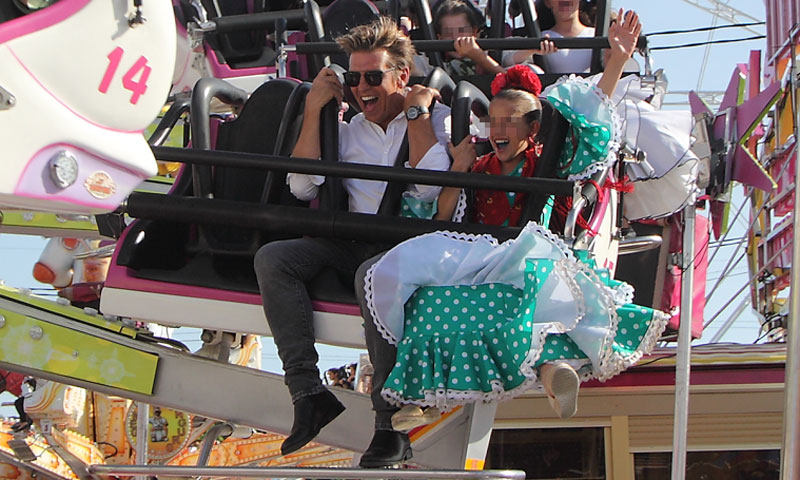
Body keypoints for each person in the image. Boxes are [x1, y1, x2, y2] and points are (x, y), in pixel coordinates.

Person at [360, 10, 667, 432]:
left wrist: (614, 62)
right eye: (494, 121)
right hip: (475, 260)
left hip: (531, 257)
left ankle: (550, 372)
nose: (499, 129)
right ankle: (419, 393)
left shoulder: (548, 164)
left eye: (510, 122)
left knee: (535, 305)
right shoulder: (480, 164)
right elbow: (443, 216)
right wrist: (459, 172)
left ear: (533, 129)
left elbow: (588, 125)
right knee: (432, 301)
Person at [253, 17, 451, 458]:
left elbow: (429, 188)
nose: (362, 87)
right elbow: (302, 187)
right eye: (354, 77)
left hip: (410, 248)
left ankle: (389, 424)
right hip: (350, 240)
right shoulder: (345, 129)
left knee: (372, 276)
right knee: (274, 259)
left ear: (402, 76)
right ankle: (308, 393)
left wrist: (416, 115)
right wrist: (313, 110)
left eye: (373, 77)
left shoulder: (437, 118)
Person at [413, 0, 504, 77]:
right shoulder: (429, 62)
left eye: (462, 30)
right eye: (448, 33)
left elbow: (514, 83)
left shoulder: (494, 53)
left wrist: (480, 57)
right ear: (439, 37)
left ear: (474, 32)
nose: (456, 37)